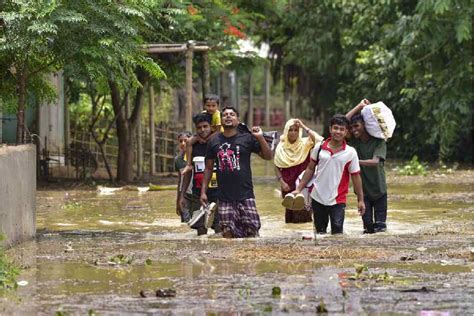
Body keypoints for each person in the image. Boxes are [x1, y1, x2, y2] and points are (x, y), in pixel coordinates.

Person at [200, 106, 273, 238]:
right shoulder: (214, 141)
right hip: (224, 196)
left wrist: (260, 137)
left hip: (246, 194)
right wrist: (203, 192)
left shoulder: (247, 138)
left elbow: (268, 156)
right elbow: (208, 168)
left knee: (252, 231)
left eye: (232, 114)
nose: (228, 116)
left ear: (238, 120)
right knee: (227, 233)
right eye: (225, 114)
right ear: (220, 120)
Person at [292, 114, 365, 234]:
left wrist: (360, 200)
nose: (338, 132)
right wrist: (299, 189)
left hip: (338, 200)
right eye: (336, 128)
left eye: (342, 129)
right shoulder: (319, 147)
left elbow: (356, 176)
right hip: (317, 197)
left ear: (346, 132)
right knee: (320, 233)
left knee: (337, 233)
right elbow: (310, 169)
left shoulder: (350, 153)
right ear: (330, 129)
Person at [346, 99, 388, 233]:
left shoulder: (379, 141)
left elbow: (375, 162)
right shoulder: (354, 142)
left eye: (356, 126)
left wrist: (355, 161)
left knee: (381, 229)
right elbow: (342, 121)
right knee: (368, 229)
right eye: (352, 128)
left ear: (364, 125)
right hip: (363, 193)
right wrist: (359, 106)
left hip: (379, 190)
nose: (353, 129)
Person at [274, 118, 323, 223]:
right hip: (287, 184)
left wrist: (303, 126)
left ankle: (304, 235)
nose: (293, 133)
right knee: (290, 215)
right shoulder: (281, 147)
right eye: (290, 130)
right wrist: (281, 182)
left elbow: (320, 140)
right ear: (286, 131)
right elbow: (276, 165)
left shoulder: (306, 143)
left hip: (304, 183)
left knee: (304, 214)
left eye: (296, 130)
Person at [179, 113, 221, 236]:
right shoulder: (192, 146)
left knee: (219, 228)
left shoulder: (218, 143)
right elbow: (188, 172)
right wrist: (182, 195)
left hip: (218, 193)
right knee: (201, 229)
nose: (202, 130)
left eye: (205, 126)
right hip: (198, 194)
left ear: (211, 127)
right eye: (199, 128)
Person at [181, 94, 222, 175]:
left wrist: (206, 139)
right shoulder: (203, 114)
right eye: (208, 105)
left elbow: (218, 131)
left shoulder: (217, 116)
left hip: (216, 133)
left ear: (218, 106)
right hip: (203, 135)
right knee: (189, 141)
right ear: (204, 105)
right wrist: (199, 137)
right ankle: (188, 164)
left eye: (213, 106)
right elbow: (198, 126)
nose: (210, 108)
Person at [175, 131, 192, 222]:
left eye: (185, 140)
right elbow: (180, 181)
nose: (183, 143)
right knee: (186, 223)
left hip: (196, 195)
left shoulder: (197, 155)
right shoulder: (178, 160)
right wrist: (178, 201)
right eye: (180, 141)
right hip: (185, 195)